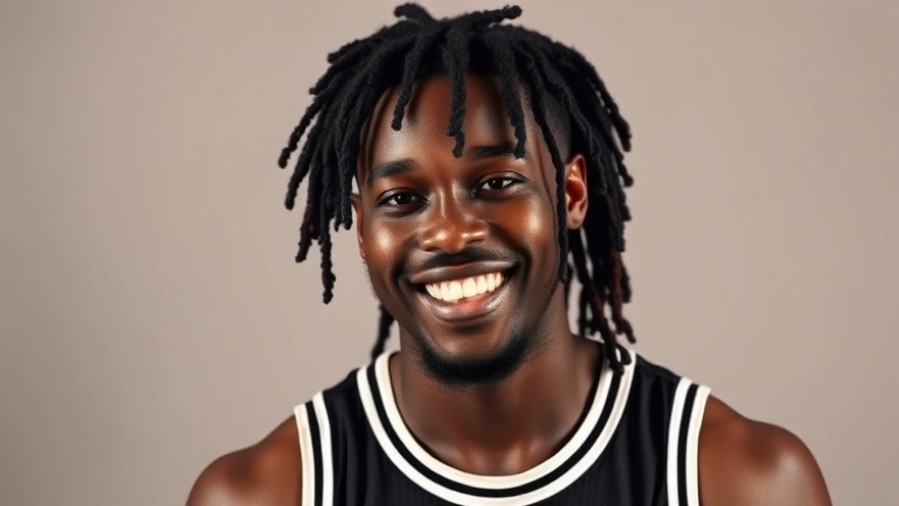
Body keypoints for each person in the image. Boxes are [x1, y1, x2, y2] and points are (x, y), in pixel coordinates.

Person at [187, 4, 830, 505]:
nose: (450, 233)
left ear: (570, 194)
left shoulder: (738, 481)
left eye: (496, 183)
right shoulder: (270, 493)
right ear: (360, 229)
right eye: (403, 199)